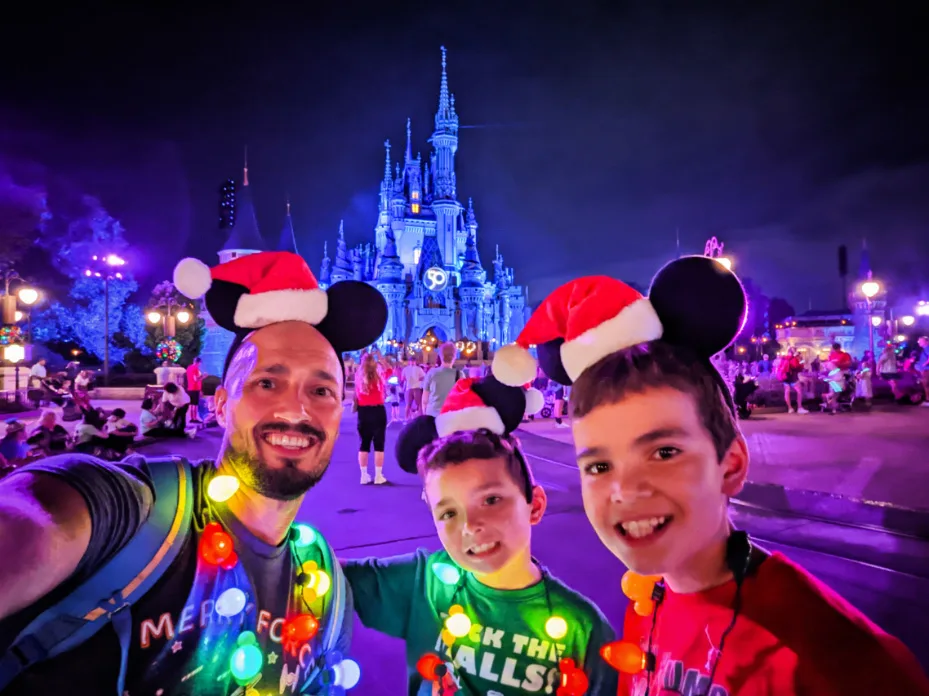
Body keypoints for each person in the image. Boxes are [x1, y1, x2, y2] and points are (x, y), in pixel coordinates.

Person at [490, 259, 929, 695]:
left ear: (732, 464)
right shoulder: (649, 601)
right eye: (599, 466)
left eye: (664, 452)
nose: (625, 490)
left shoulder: (840, 663)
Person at [0, 250, 388, 694]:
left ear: (341, 411)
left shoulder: (325, 590)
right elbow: (36, 522)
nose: (296, 409)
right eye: (268, 382)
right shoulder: (135, 513)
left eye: (321, 390)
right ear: (222, 404)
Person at [346, 376, 615, 695]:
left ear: (535, 505)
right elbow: (310, 572)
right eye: (448, 513)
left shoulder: (583, 630)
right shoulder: (424, 584)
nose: (470, 525)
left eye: (490, 500)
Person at [355, 352, 388, 485]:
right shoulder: (379, 376)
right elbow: (389, 368)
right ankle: (378, 476)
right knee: (379, 444)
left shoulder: (358, 376)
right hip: (378, 410)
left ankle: (363, 475)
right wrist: (379, 356)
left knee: (364, 443)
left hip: (363, 411)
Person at [421, 341, 460, 417]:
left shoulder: (431, 373)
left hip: (433, 416)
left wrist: (425, 414)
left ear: (440, 356)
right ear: (454, 356)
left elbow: (425, 400)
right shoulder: (460, 375)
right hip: (452, 416)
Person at [775, 347, 807, 414]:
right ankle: (799, 408)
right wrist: (801, 358)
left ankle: (790, 408)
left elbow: (779, 367)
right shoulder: (795, 358)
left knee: (787, 392)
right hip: (793, 377)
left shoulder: (784, 358)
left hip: (785, 377)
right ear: (794, 352)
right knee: (799, 391)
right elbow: (800, 366)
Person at [185, 356, 205, 423]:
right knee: (195, 404)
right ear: (198, 362)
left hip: (190, 388)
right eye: (200, 363)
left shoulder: (189, 368)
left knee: (192, 404)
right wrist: (203, 376)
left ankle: (192, 418)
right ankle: (194, 418)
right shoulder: (195, 368)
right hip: (195, 388)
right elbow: (196, 379)